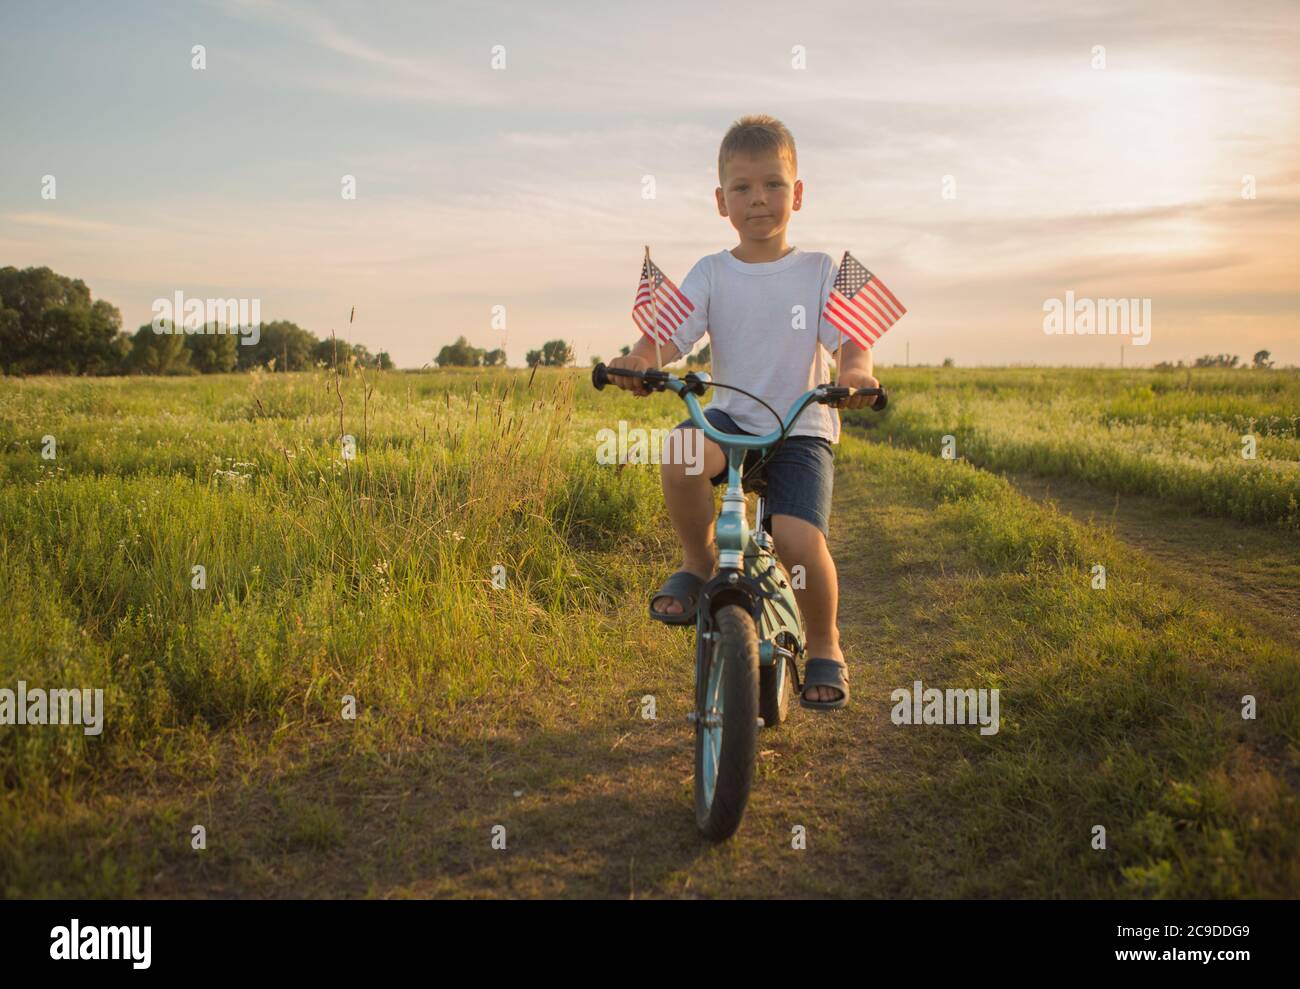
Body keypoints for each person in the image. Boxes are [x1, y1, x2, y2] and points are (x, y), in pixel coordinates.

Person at [607, 114, 882, 710]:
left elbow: (851, 340)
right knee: (681, 450)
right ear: (720, 201)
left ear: (798, 194)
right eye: (742, 188)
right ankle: (699, 559)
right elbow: (666, 339)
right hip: (731, 418)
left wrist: (855, 372)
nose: (758, 199)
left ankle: (827, 643)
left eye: (774, 184)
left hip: (801, 426)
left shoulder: (817, 271)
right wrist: (638, 358)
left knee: (797, 540)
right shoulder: (713, 271)